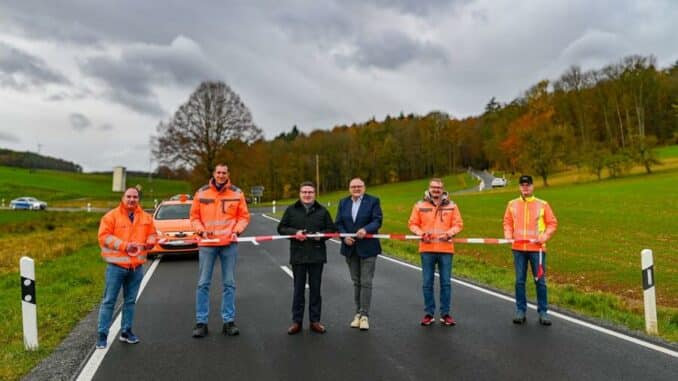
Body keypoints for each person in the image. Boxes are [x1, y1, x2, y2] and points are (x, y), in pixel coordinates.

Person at [190, 164, 250, 338]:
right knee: (203, 283)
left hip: (228, 244)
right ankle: (201, 323)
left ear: (228, 174)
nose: (221, 175)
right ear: (214, 174)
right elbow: (194, 217)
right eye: (219, 172)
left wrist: (236, 231)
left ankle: (228, 322)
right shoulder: (201, 193)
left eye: (224, 172)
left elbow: (244, 217)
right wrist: (200, 230)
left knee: (229, 283)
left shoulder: (237, 193)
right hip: (207, 244)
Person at [96, 187, 157, 349]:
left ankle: (126, 332)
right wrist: (124, 245)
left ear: (138, 199)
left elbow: (153, 233)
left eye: (135, 197)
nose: (132, 199)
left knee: (130, 301)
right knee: (109, 301)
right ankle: (102, 335)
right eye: (129, 196)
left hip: (136, 267)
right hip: (116, 266)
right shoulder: (111, 216)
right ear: (123, 198)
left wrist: (151, 241)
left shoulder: (146, 217)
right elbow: (104, 237)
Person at [277, 181, 337, 335]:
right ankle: (296, 322)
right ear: (300, 193)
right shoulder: (291, 210)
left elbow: (331, 229)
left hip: (317, 256)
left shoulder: (322, 211)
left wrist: (321, 237)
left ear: (314, 194)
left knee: (316, 291)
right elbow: (281, 228)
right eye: (304, 192)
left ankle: (315, 321)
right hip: (298, 256)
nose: (307, 194)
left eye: (310, 192)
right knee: (298, 290)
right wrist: (294, 232)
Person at [408, 178, 463, 326]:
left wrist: (449, 233)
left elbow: (458, 224)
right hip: (427, 249)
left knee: (446, 284)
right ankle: (429, 314)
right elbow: (412, 224)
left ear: (443, 189)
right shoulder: (419, 205)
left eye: (438, 188)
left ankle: (445, 314)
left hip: (446, 250)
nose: (436, 190)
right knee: (427, 283)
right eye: (433, 187)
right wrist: (421, 234)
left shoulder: (452, 205)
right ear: (429, 188)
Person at [503, 175, 558, 325]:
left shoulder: (542, 204)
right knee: (519, 281)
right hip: (518, 249)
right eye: (522, 185)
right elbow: (507, 222)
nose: (525, 187)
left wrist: (544, 236)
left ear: (532, 186)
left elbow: (552, 223)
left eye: (527, 185)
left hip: (537, 249)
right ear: (519, 187)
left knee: (540, 281)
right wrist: (508, 234)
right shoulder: (512, 204)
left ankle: (543, 312)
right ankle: (520, 311)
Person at [335, 178, 383, 331]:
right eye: (353, 186)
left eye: (359, 186)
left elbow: (377, 220)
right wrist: (344, 236)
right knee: (356, 281)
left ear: (364, 187)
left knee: (366, 281)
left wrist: (366, 230)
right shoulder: (343, 203)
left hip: (368, 247)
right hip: (350, 248)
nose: (356, 189)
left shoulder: (373, 201)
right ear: (349, 188)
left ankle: (364, 316)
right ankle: (357, 313)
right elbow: (339, 223)